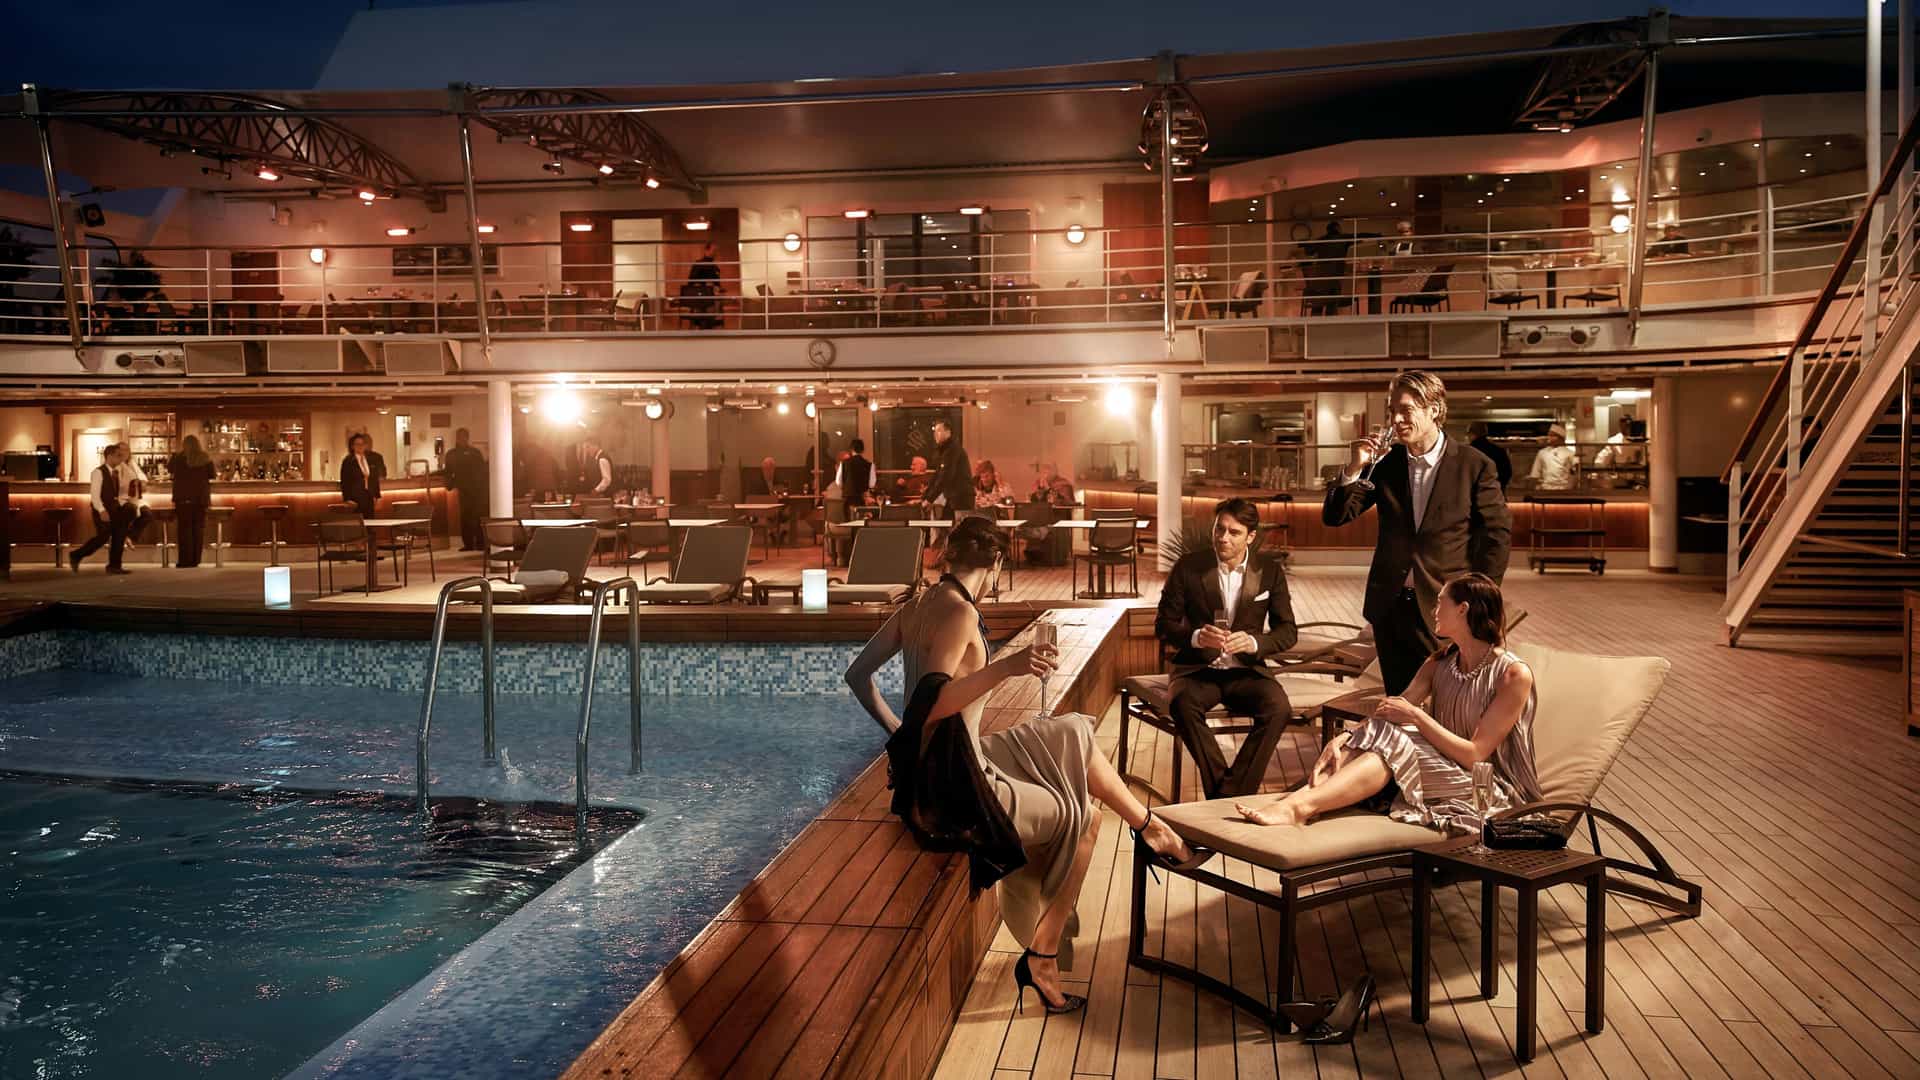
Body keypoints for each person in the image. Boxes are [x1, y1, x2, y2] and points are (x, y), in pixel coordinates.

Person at [845, 517, 1199, 1016]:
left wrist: (901, 741)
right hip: (954, 785)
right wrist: (1006, 667)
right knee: (1086, 819)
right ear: (995, 564)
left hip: (952, 760)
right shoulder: (959, 613)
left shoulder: (918, 604)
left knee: (1074, 731)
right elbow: (930, 703)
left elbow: (858, 676)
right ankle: (1042, 958)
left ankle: (1148, 826)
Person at [1236, 573, 1541, 834]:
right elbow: (1390, 713)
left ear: (1463, 610)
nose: (1433, 610)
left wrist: (1417, 718)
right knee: (1389, 731)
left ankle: (1298, 805)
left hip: (1488, 789)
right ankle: (1295, 804)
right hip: (1445, 768)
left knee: (1400, 735)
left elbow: (1476, 757)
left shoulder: (1512, 675)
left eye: (1440, 603)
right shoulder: (1440, 662)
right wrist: (1345, 738)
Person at [1323, 370, 1511, 695]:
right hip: (1390, 606)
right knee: (1399, 698)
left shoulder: (1474, 465)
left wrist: (1477, 600)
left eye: (1405, 409)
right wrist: (1354, 468)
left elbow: (1496, 537)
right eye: (1391, 410)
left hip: (1447, 606)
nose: (1396, 419)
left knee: (1448, 700)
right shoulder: (1385, 463)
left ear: (1434, 409)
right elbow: (1337, 516)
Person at [1156, 498, 1301, 799]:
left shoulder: (1270, 572)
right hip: (1198, 670)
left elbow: (1287, 631)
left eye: (1234, 532)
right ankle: (1230, 796)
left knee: (1278, 709)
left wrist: (1255, 642)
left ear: (1251, 536)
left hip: (1247, 671)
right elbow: (1164, 624)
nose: (1223, 538)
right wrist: (1196, 637)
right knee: (1182, 704)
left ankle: (1227, 794)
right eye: (1219, 529)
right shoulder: (1189, 567)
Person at [70, 443, 136, 575]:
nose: (120, 459)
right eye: (118, 456)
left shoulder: (116, 473)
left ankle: (114, 565)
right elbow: (95, 495)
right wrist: (101, 510)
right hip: (102, 509)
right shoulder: (98, 472)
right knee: (103, 537)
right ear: (109, 456)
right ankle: (76, 555)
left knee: (119, 535)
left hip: (115, 509)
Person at [168, 434, 215, 568]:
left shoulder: (177, 458)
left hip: (182, 499)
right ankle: (195, 560)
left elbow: (169, 469)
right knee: (198, 529)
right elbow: (212, 474)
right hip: (200, 499)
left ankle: (184, 561)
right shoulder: (205, 457)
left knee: (184, 531)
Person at [443, 428, 488, 551]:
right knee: (466, 517)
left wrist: (450, 483)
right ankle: (469, 544)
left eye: (463, 437)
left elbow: (482, 470)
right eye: (460, 437)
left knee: (477, 517)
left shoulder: (470, 453)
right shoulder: (454, 454)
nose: (461, 439)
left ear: (467, 438)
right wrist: (450, 484)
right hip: (466, 489)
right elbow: (448, 472)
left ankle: (479, 543)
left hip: (476, 489)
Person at [921, 419, 975, 517]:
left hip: (961, 498)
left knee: (960, 528)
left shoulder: (952, 450)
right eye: (935, 431)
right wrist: (926, 497)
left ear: (948, 432)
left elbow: (945, 476)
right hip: (953, 497)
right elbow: (937, 475)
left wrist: (929, 499)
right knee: (946, 526)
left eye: (939, 431)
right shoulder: (945, 451)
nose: (935, 434)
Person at [340, 432, 384, 517]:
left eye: (362, 444)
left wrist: (376, 495)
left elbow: (374, 479)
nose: (360, 446)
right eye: (357, 444)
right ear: (352, 446)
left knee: (370, 522)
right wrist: (347, 498)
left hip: (369, 496)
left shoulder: (371, 459)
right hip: (355, 497)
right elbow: (345, 481)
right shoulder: (348, 461)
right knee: (359, 523)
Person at [682, 242, 722, 330]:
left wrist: (716, 289)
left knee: (716, 305)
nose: (715, 252)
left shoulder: (715, 267)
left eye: (716, 251)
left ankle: (711, 326)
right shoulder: (699, 265)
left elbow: (717, 285)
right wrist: (705, 286)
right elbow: (691, 283)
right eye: (714, 250)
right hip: (701, 298)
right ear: (706, 250)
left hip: (709, 298)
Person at [1529, 424, 1579, 491]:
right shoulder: (1542, 452)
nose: (1549, 437)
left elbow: (1575, 473)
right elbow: (1535, 473)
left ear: (1561, 438)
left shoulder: (1570, 453)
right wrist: (1532, 488)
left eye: (1553, 435)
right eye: (1549, 435)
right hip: (1545, 488)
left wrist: (1570, 487)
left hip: (1563, 489)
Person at [1466, 421, 1513, 492]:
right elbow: (1507, 473)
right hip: (1495, 493)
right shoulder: (1499, 451)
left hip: (1472, 494)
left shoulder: (1467, 452)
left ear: (1472, 434)